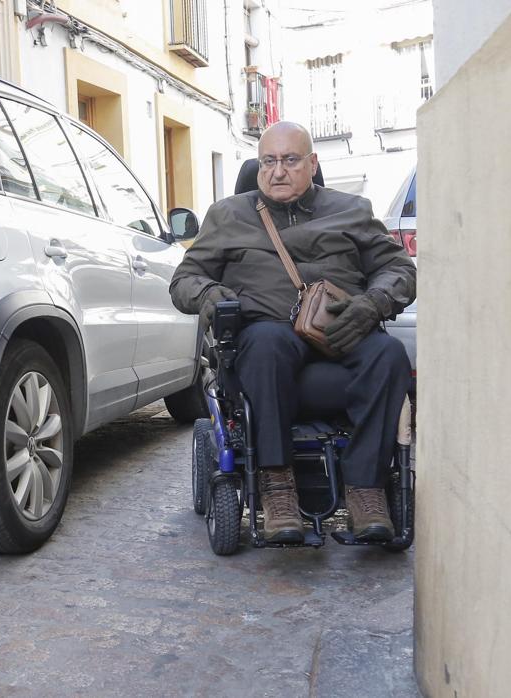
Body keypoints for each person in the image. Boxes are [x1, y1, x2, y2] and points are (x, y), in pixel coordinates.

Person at [170, 121, 415, 544]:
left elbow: (399, 269)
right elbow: (184, 279)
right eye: (268, 161)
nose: (277, 171)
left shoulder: (352, 209)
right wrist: (209, 293)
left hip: (342, 338)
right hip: (266, 346)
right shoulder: (228, 215)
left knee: (388, 355)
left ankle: (366, 491)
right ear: (259, 165)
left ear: (312, 164)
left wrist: (372, 303)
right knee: (269, 341)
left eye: (289, 160)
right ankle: (277, 486)